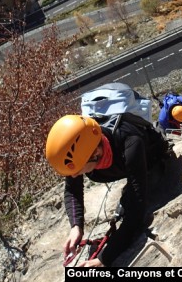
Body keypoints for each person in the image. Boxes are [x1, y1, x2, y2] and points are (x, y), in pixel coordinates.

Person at [45, 113, 170, 267]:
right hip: (126, 164)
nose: (75, 175)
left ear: (96, 153)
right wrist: (76, 227)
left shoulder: (130, 143)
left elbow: (136, 214)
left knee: (131, 203)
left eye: (78, 169)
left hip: (151, 155)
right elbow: (72, 190)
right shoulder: (85, 149)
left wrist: (104, 259)